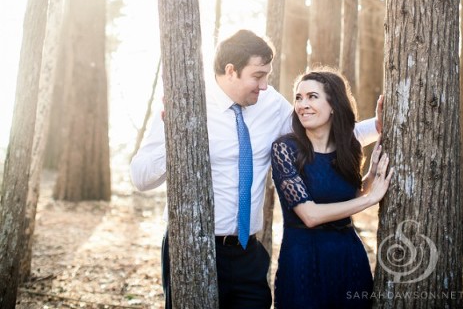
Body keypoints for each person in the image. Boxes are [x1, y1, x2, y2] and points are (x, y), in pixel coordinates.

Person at [130, 30, 382, 309]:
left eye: (267, 76)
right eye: (258, 76)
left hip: (247, 251)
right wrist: (175, 135)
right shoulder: (187, 102)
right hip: (191, 246)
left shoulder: (271, 104)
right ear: (231, 71)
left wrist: (378, 126)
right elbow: (141, 178)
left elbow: (324, 135)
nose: (264, 86)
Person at [271, 69, 393, 309]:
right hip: (302, 261)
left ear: (333, 105)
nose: (302, 105)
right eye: (299, 98)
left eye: (312, 97)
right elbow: (310, 215)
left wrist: (370, 176)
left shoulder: (349, 147)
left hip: (348, 258)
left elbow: (347, 197)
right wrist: (371, 199)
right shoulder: (285, 149)